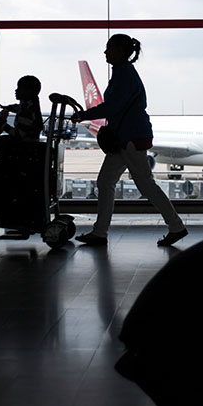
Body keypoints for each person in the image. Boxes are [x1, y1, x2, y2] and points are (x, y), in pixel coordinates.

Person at [71, 34, 188, 247]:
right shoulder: (123, 73)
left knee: (143, 185)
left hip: (129, 139)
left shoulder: (124, 75)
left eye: (109, 48)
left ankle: (176, 226)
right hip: (126, 139)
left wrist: (83, 115)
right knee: (107, 182)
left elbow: (112, 107)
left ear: (119, 51)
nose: (105, 52)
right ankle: (100, 232)